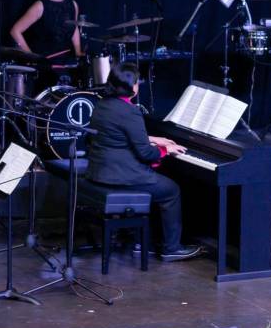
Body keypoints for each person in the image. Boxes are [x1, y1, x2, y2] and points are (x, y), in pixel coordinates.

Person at [86, 63, 202, 261]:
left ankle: (145, 243)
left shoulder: (102, 104)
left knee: (161, 183)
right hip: (122, 176)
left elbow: (117, 135)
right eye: (137, 82)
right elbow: (146, 154)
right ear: (132, 87)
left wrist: (153, 138)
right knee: (171, 190)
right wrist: (166, 149)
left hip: (100, 171)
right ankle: (171, 248)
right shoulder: (130, 111)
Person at [9, 0, 84, 58]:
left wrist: (78, 52)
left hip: (66, 61)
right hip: (44, 63)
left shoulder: (73, 4)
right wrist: (31, 56)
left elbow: (74, 28)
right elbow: (15, 31)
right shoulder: (40, 6)